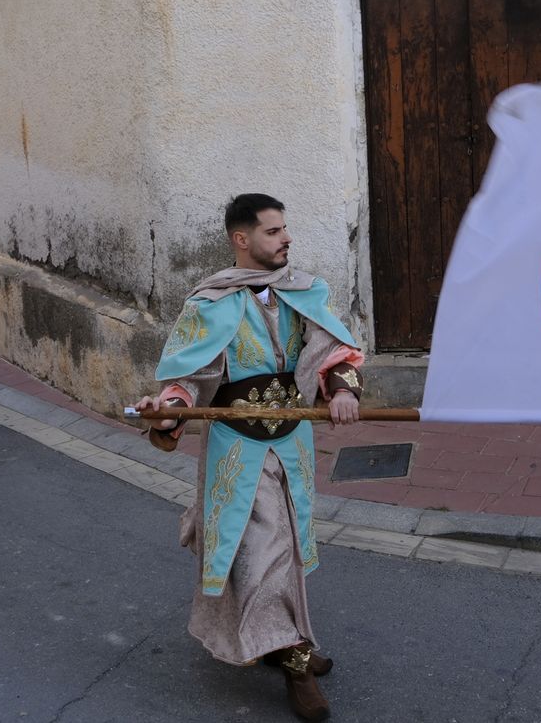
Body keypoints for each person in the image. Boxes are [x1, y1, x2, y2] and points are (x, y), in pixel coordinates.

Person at [133, 193, 364, 723]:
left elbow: (334, 351)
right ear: (242, 240)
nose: (286, 239)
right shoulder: (209, 303)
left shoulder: (303, 291)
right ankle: (297, 665)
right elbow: (187, 379)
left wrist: (342, 388)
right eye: (273, 231)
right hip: (238, 447)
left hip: (294, 444)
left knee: (289, 543)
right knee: (262, 550)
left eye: (285, 229)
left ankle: (284, 637)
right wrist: (166, 411)